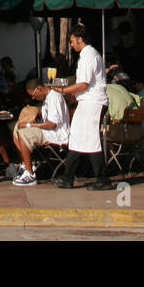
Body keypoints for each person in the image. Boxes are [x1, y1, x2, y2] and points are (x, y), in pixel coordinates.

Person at [56, 25, 113, 191]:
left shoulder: (89, 55)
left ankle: (103, 179)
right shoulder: (86, 55)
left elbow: (83, 83)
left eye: (72, 41)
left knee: (91, 140)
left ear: (80, 39)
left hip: (93, 102)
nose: (71, 44)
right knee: (77, 137)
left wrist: (63, 90)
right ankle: (68, 177)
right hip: (87, 101)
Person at [11, 77, 70, 186]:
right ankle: (27, 163)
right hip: (48, 130)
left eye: (33, 94)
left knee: (24, 133)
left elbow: (52, 124)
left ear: (39, 88)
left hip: (56, 133)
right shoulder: (46, 98)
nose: (33, 98)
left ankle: (30, 174)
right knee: (16, 128)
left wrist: (30, 124)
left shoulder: (54, 97)